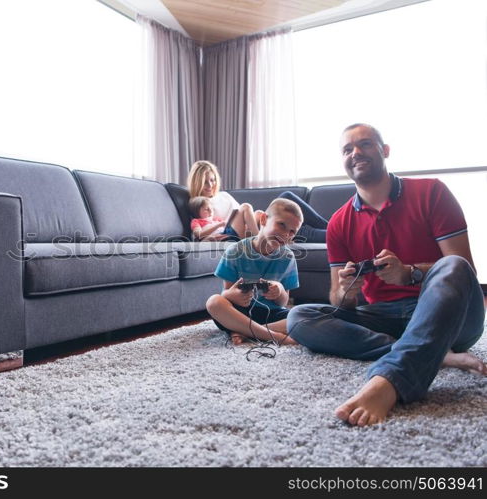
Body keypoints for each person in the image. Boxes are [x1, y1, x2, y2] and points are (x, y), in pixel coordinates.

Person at [286, 123, 486, 427]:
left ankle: (390, 380)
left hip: (449, 317)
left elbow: (464, 269)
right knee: (299, 317)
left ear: (385, 151)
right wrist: (347, 291)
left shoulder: (431, 192)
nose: (355, 153)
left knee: (453, 265)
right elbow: (339, 301)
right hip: (384, 314)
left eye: (365, 144)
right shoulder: (339, 222)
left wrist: (410, 274)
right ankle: (434, 353)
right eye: (347, 149)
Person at [206, 198, 304, 346]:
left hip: (271, 314)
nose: (286, 234)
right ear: (264, 219)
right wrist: (233, 295)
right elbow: (226, 293)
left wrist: (280, 291)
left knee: (303, 315)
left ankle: (248, 332)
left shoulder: (288, 257)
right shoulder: (235, 251)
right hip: (240, 313)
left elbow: (284, 302)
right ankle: (274, 336)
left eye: (292, 232)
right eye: (282, 225)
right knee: (214, 302)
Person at [186, 159, 328, 243]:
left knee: (288, 200)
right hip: (236, 233)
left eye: (212, 180)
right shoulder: (198, 203)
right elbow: (199, 233)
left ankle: (332, 228)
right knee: (291, 223)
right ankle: (337, 231)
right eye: (205, 182)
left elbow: (242, 215)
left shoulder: (224, 195)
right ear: (197, 183)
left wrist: (256, 217)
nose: (210, 185)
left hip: (249, 226)